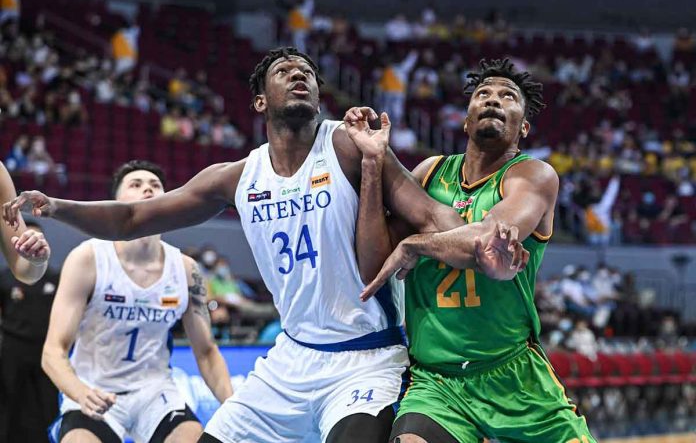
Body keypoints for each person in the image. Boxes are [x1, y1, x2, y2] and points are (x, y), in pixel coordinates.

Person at [2, 47, 526, 443]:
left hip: (366, 360)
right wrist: (59, 207)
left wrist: (486, 239)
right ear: (260, 101)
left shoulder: (347, 146)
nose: (301, 75)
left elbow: (434, 216)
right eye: (285, 71)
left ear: (320, 97)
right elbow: (136, 215)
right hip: (290, 360)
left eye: (309, 74)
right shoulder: (238, 175)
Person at [355, 59, 596, 442]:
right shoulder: (430, 173)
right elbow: (375, 262)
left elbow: (484, 240)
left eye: (507, 96)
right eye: (483, 94)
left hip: (512, 374)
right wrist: (371, 164)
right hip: (438, 382)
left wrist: (415, 243)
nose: (493, 100)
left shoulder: (532, 175)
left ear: (524, 127)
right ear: (466, 122)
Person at [42, 160, 232, 443]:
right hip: (93, 388)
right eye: (136, 184)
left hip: (155, 393)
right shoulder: (88, 259)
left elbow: (206, 352)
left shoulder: (186, 269)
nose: (148, 190)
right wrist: (80, 392)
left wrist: (234, 407)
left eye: (155, 185)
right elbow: (53, 352)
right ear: (116, 203)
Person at [0, 220, 59, 443]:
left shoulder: (56, 278)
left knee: (48, 402)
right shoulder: (5, 279)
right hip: (12, 351)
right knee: (10, 400)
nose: (32, 244)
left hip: (46, 351)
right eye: (28, 238)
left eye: (38, 239)